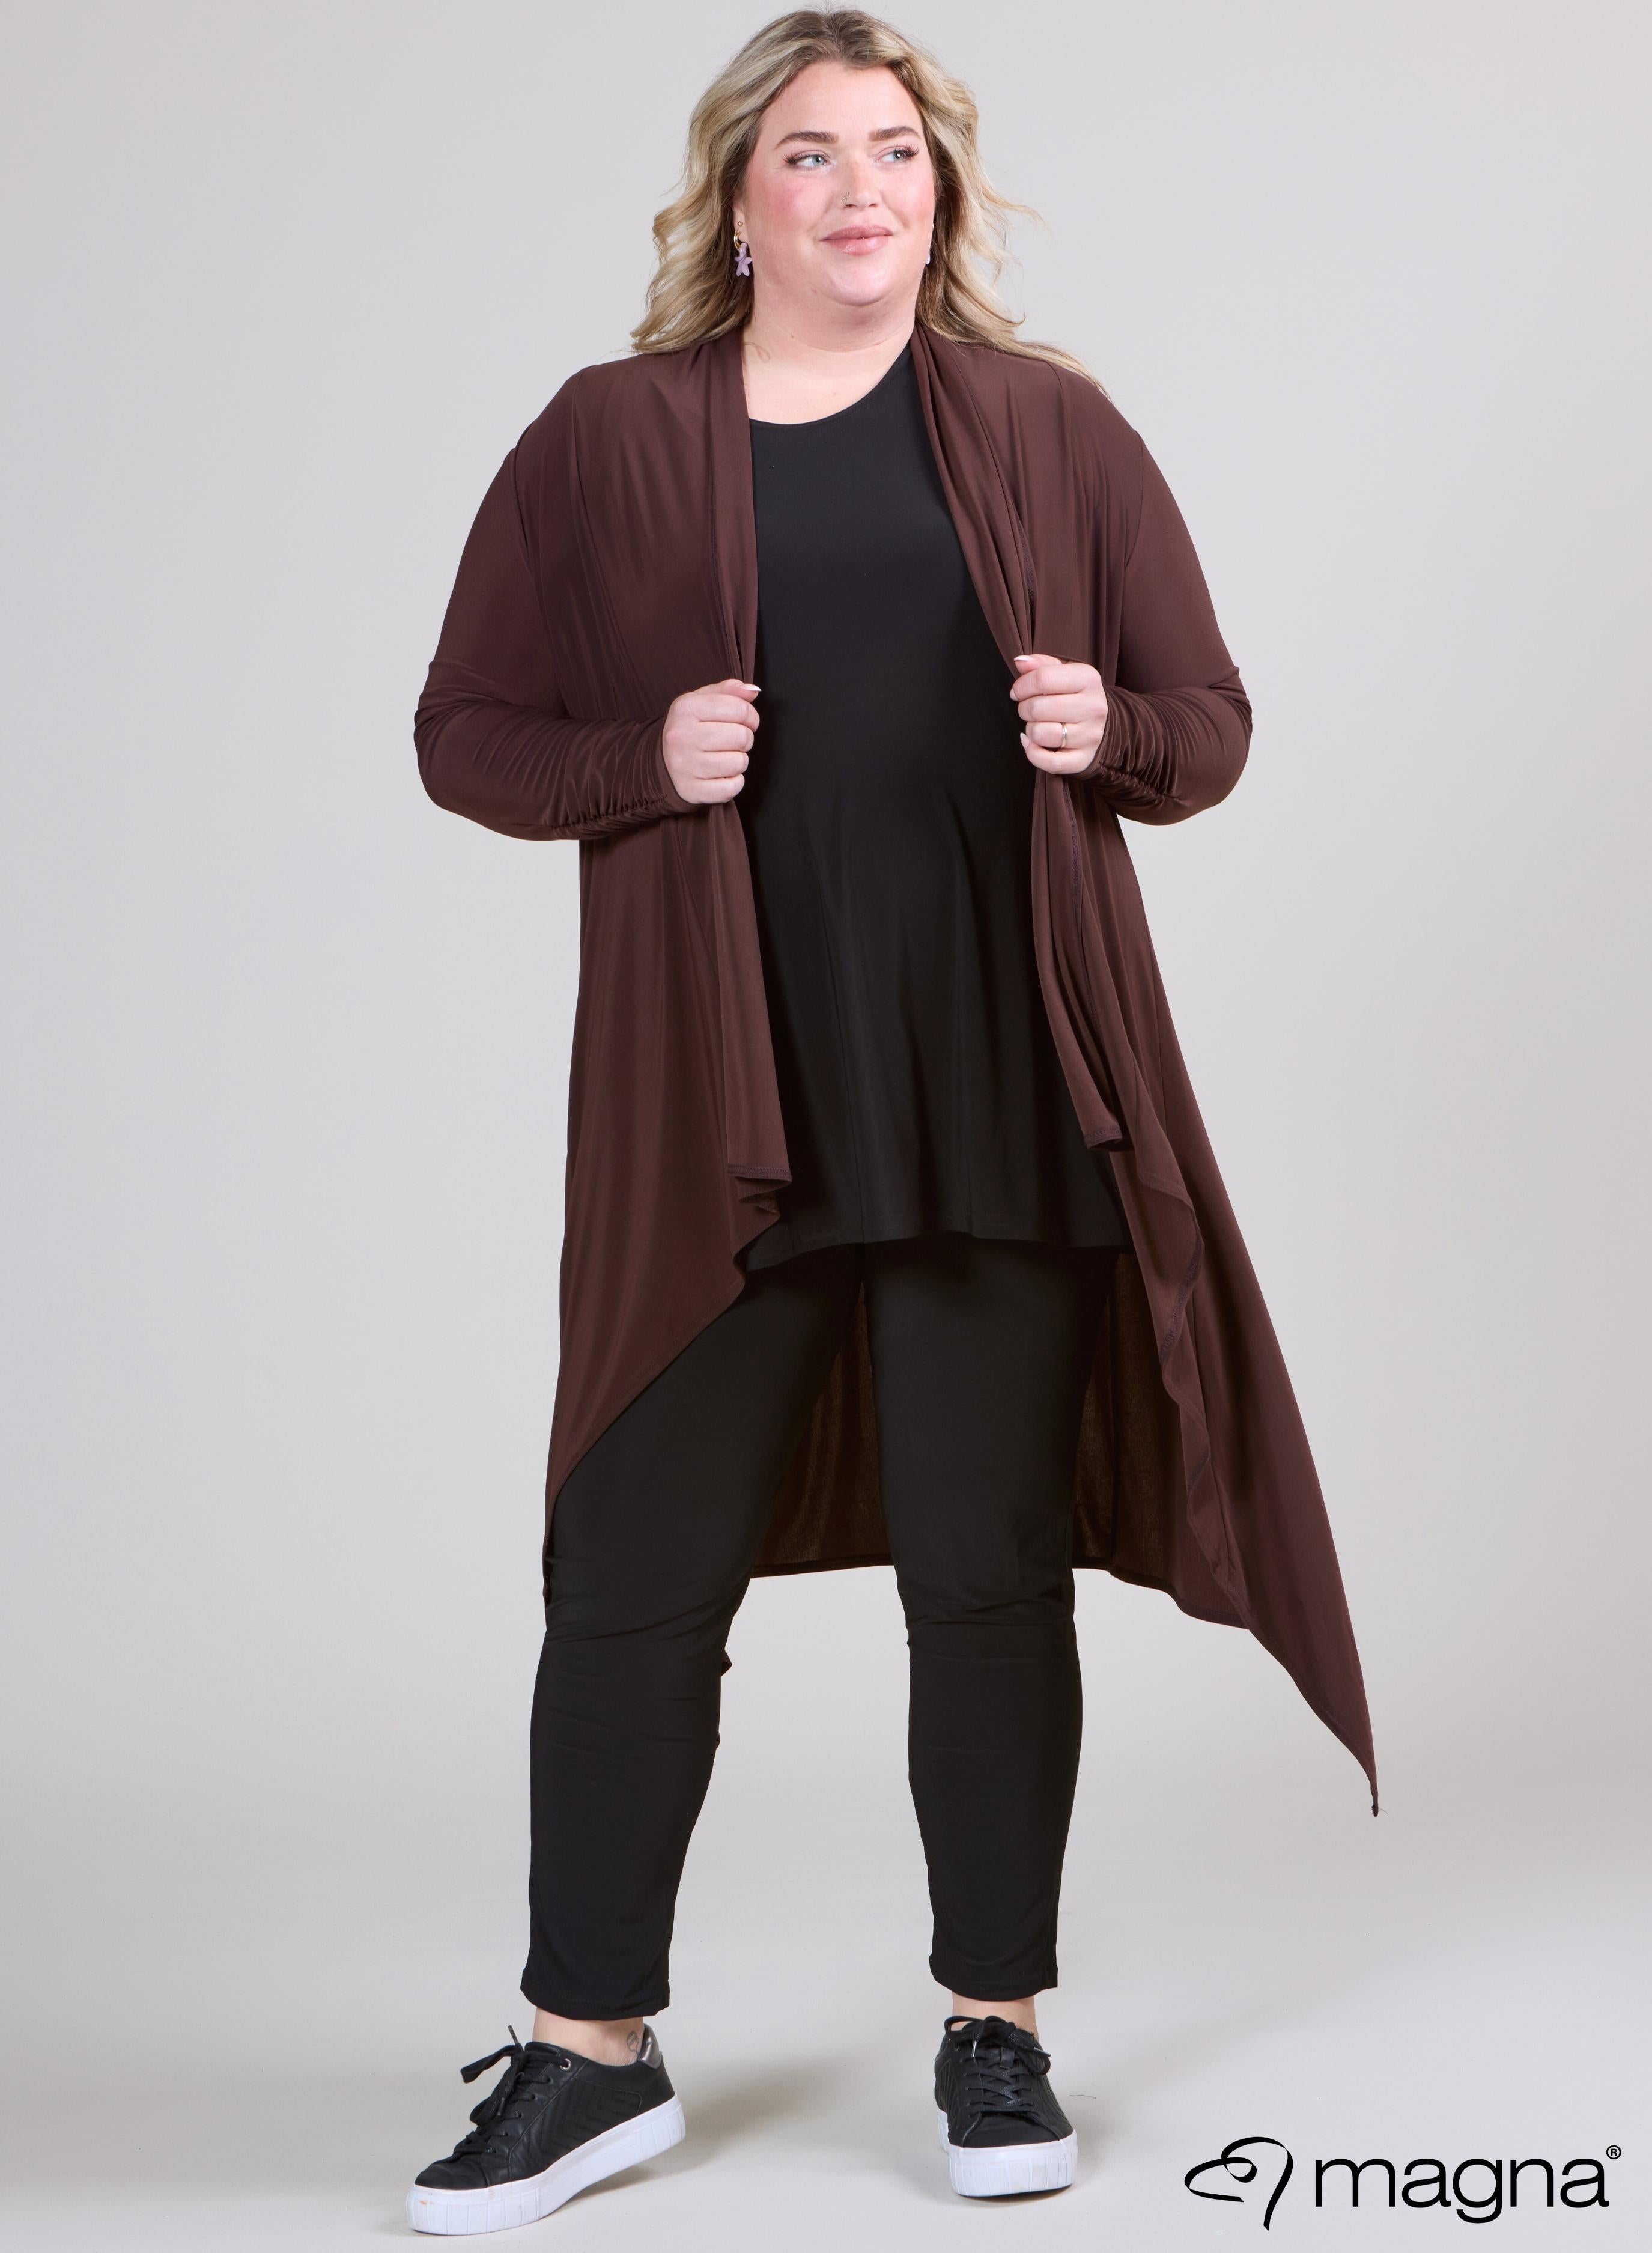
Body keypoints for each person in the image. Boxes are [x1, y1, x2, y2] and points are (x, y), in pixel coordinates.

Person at [404, 8, 1375, 2233]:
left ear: (943, 191)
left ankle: (994, 2032)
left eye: (899, 152)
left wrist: (1111, 723)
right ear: (736, 199)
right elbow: (465, 729)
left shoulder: (1049, 426)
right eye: (815, 154)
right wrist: (638, 760)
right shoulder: (609, 436)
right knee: (631, 1574)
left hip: (1000, 1082)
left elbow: (1209, 723)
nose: (865, 190)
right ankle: (587, 2057)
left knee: (986, 1576)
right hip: (721, 1106)